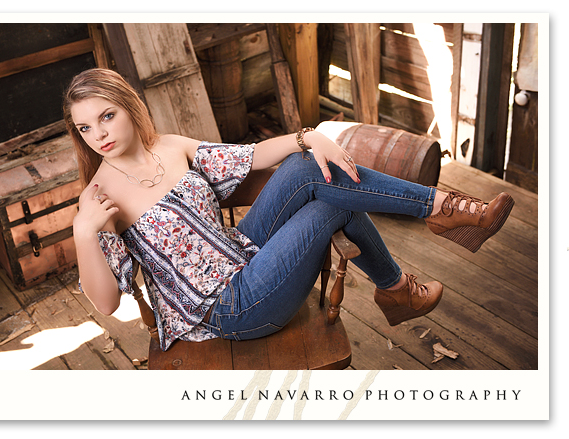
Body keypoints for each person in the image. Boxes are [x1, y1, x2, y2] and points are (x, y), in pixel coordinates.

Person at [64, 68, 514, 351]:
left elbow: (250, 156)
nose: (98, 134)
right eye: (85, 127)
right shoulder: (99, 197)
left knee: (307, 165)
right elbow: (106, 304)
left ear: (128, 107)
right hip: (228, 307)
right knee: (329, 209)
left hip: (244, 254)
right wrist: (85, 232)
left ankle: (443, 211)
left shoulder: (168, 146)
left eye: (107, 116)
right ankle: (406, 272)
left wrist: (308, 136)